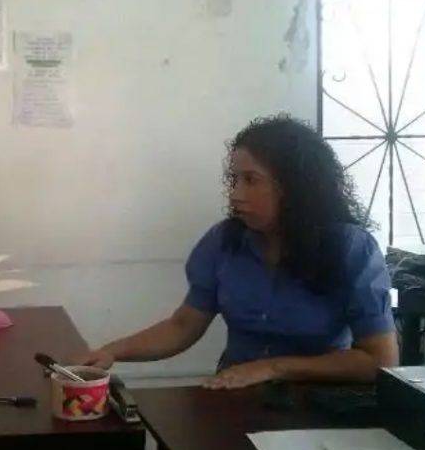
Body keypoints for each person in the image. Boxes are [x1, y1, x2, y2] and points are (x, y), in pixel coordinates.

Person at [76, 114, 398, 389]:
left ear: (295, 188)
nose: (235, 194)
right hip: (237, 394)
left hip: (319, 403)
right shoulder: (224, 241)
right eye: (234, 180)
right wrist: (112, 352)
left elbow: (379, 360)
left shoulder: (352, 249)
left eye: (251, 180)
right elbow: (182, 326)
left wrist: (275, 367)